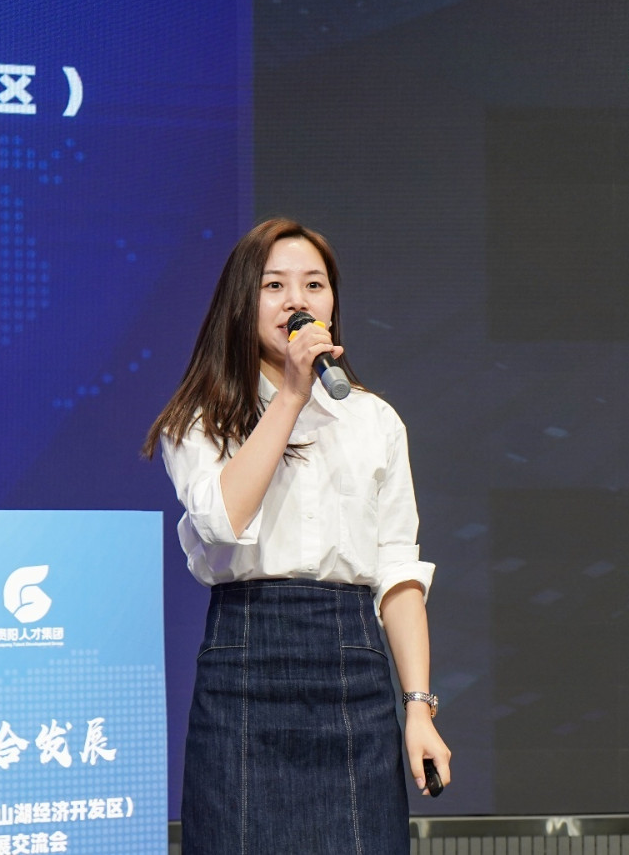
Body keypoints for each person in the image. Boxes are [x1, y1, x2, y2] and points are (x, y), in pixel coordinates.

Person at [144, 218, 451, 854]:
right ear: (242, 301)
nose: (297, 301)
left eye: (314, 285)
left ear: (332, 303)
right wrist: (289, 394)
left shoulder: (373, 420)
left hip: (353, 666)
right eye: (274, 285)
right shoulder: (199, 417)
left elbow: (397, 570)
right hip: (244, 664)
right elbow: (221, 521)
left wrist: (418, 707)